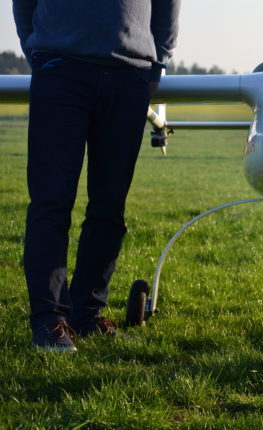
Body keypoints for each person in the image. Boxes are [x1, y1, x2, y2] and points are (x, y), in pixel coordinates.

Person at [13, 0, 181, 351]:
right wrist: (45, 53)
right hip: (60, 69)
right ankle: (49, 321)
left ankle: (86, 314)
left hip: (130, 73)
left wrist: (157, 61)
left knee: (109, 206)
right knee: (51, 201)